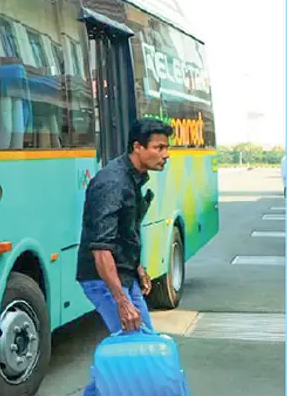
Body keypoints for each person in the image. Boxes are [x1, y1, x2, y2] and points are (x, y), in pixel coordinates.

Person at [76, 117, 173, 394]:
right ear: (138, 147)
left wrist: (137, 266)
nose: (165, 155)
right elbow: (101, 246)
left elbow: (124, 232)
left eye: (167, 148)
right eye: (159, 147)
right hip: (103, 279)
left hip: (123, 274)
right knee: (140, 349)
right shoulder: (112, 183)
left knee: (140, 347)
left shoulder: (133, 178)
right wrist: (121, 301)